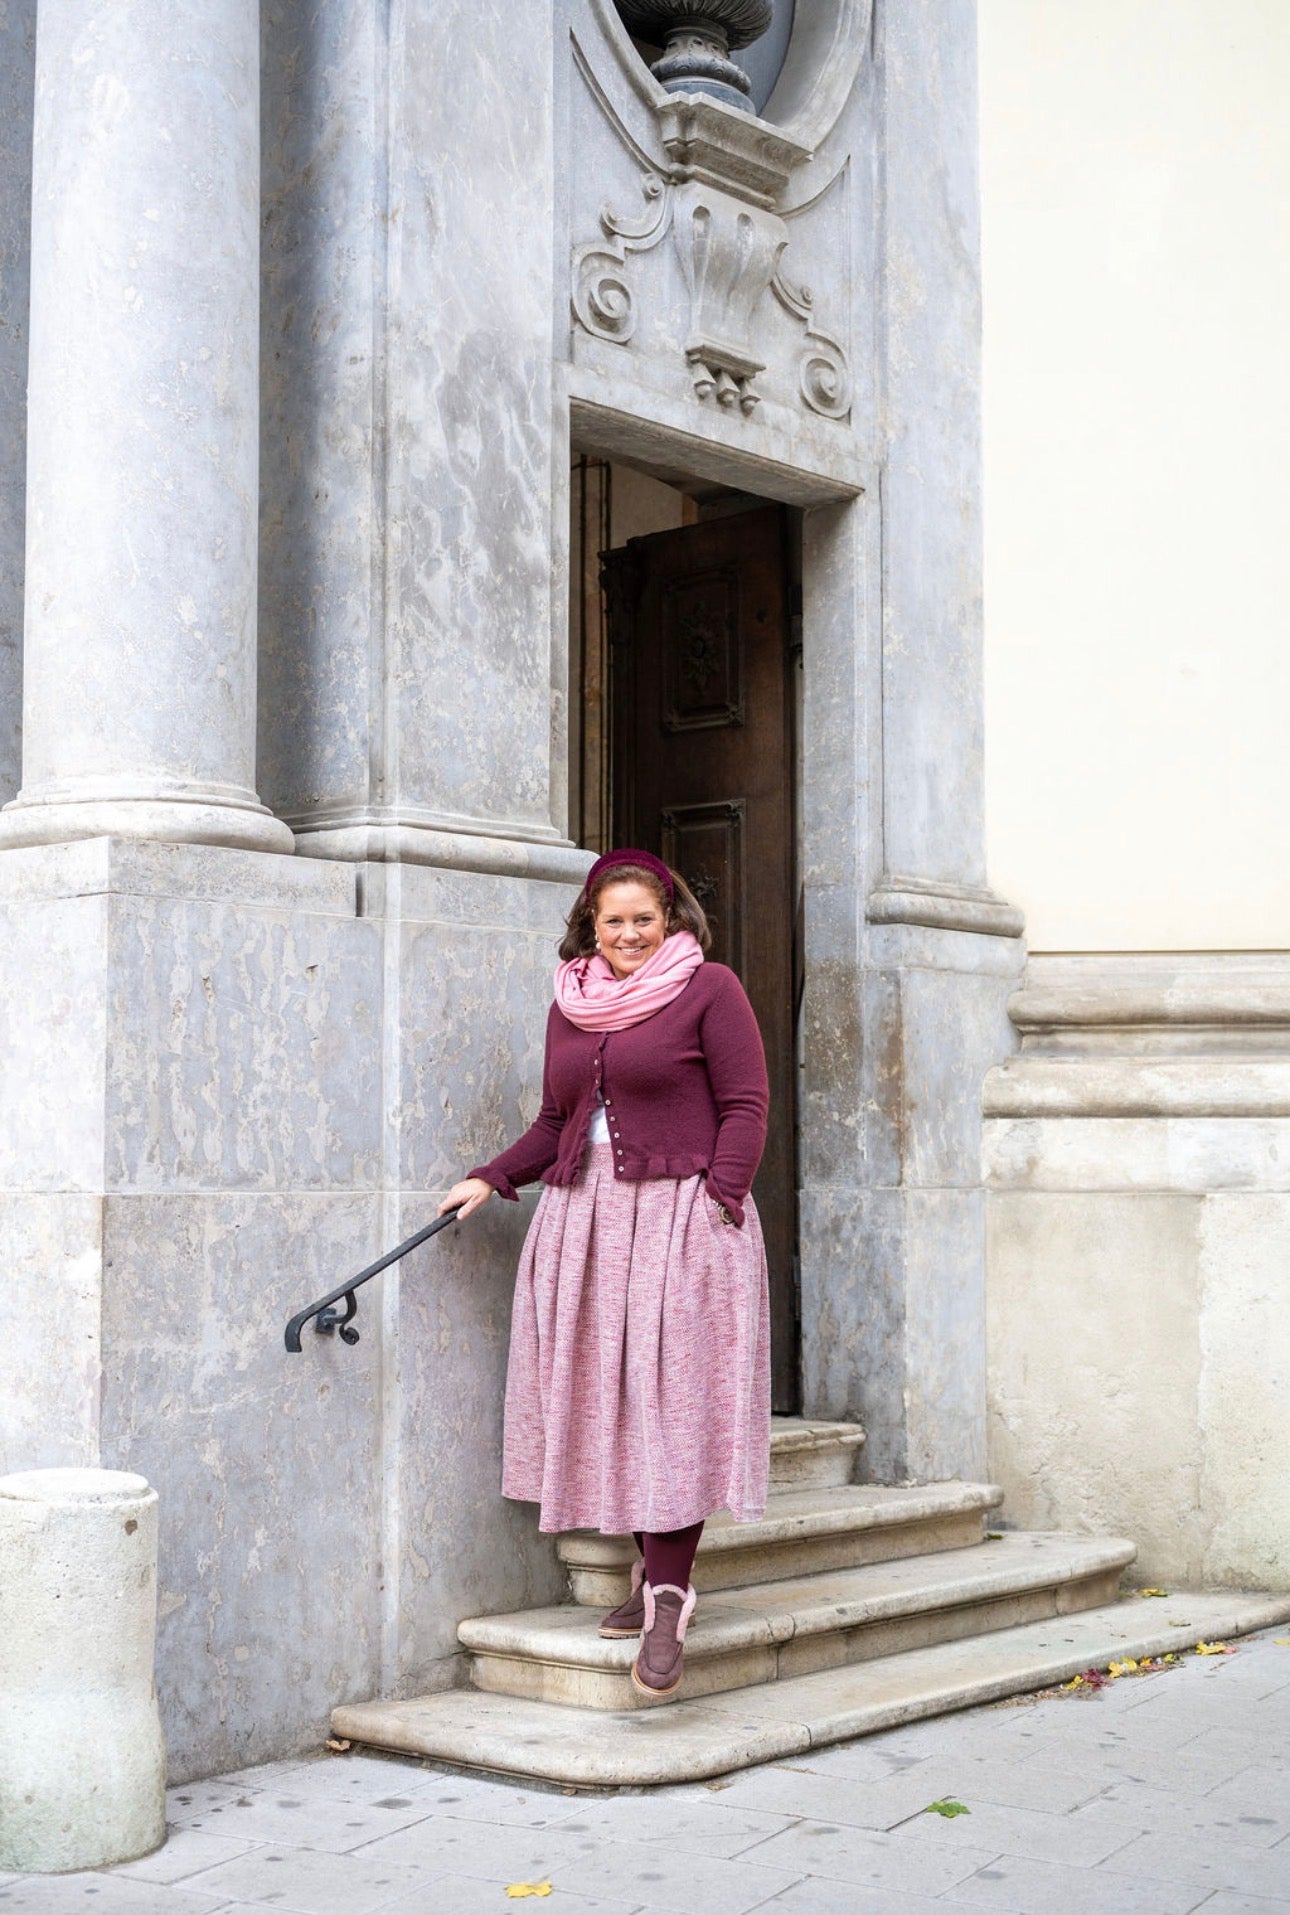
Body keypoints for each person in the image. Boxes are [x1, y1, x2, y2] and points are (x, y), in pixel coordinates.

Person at [439, 848, 771, 1699]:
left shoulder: (710, 988)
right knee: (611, 1394)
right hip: (586, 1220)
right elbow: (556, 1120)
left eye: (644, 919)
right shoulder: (572, 1003)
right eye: (612, 920)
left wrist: (720, 1202)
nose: (628, 934)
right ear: (590, 924)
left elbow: (745, 1105)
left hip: (680, 1217)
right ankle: (644, 1571)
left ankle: (669, 1595)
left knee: (672, 1400)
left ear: (671, 920)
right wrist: (493, 1175)